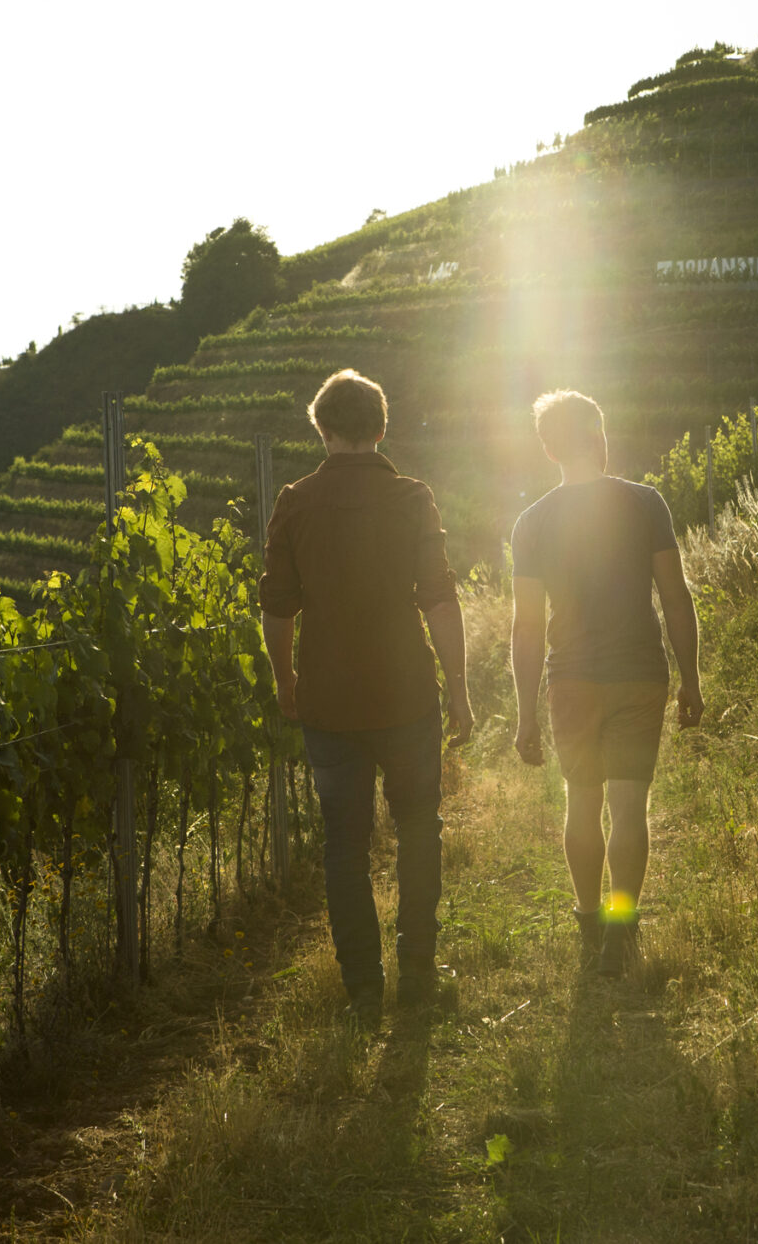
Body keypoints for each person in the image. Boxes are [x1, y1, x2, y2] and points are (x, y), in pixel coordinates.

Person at [259, 369, 473, 1027]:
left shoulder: (295, 500)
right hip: (407, 694)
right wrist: (459, 691)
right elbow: (439, 598)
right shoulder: (413, 497)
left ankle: (361, 989)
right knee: (417, 831)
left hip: (328, 703)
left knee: (343, 845)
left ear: (321, 429)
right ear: (382, 427)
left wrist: (286, 680)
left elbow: (275, 607)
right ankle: (417, 974)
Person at [511, 390, 703, 978]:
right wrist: (691, 680)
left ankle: (589, 921)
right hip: (641, 675)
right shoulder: (646, 504)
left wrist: (523, 714)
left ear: (546, 446)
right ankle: (621, 929)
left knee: (583, 803)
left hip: (571, 681)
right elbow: (675, 598)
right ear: (599, 433)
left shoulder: (533, 521)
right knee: (628, 807)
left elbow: (526, 626)